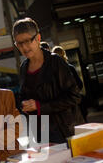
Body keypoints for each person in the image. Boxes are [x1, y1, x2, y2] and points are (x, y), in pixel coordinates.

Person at [13, 17, 84, 145]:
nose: (24, 47)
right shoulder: (24, 67)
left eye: (28, 41)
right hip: (42, 134)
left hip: (65, 131)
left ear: (38, 38)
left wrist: (40, 106)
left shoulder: (55, 61)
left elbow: (75, 97)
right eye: (19, 43)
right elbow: (25, 98)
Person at [52, 45, 88, 122]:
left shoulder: (53, 72)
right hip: (75, 101)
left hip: (63, 105)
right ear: (64, 54)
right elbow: (80, 84)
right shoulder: (70, 67)